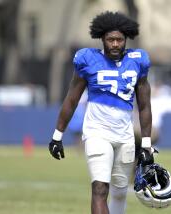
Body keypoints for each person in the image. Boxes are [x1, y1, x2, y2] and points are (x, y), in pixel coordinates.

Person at [48, 11, 155, 214]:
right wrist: (57, 136)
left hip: (125, 136)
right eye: (110, 39)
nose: (115, 44)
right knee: (99, 187)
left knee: (120, 191)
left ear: (126, 40)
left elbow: (145, 105)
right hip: (97, 132)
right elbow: (71, 99)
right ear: (102, 39)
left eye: (119, 40)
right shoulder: (88, 60)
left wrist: (147, 144)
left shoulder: (138, 61)